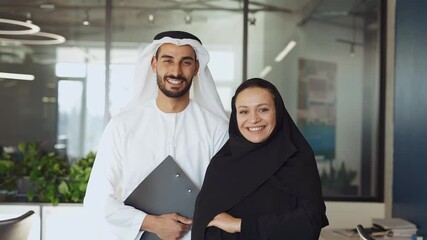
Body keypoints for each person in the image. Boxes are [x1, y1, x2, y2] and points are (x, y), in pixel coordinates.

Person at [83, 31, 229, 240]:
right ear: (154, 64)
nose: (176, 71)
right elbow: (98, 198)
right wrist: (151, 223)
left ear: (196, 68)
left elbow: (225, 199)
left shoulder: (217, 129)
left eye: (185, 62)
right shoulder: (122, 125)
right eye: (168, 60)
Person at [192, 78, 329, 240]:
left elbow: (311, 222)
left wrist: (241, 225)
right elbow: (204, 227)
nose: (253, 119)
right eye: (244, 111)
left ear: (277, 111)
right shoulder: (222, 164)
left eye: (263, 110)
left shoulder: (297, 159)